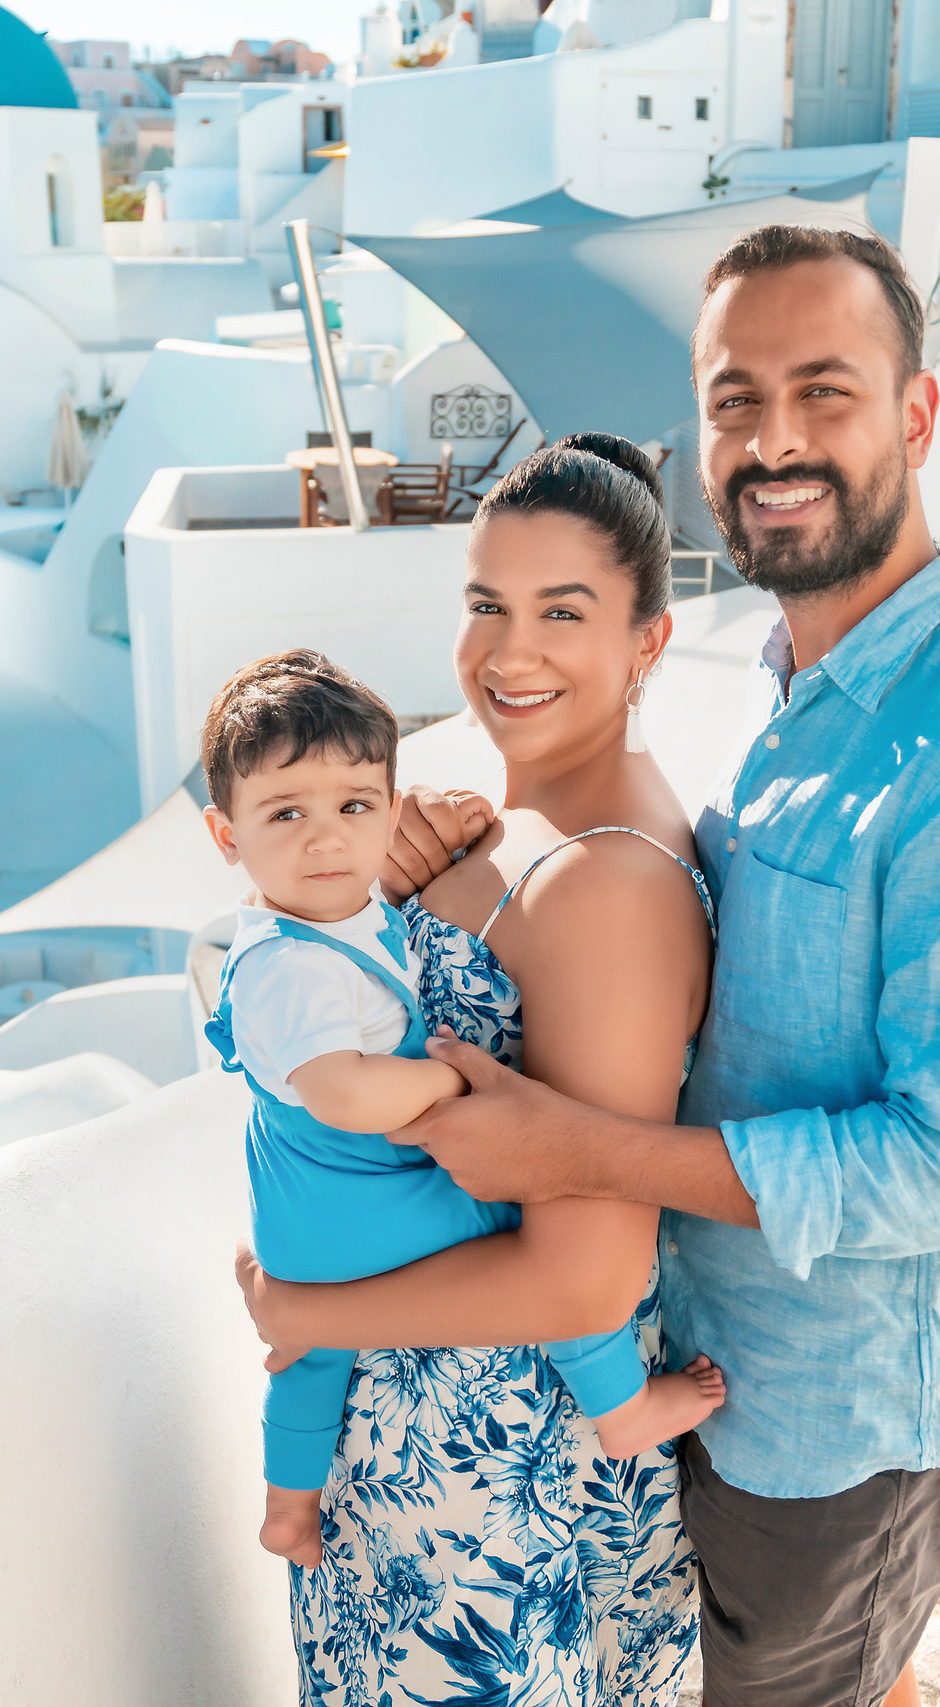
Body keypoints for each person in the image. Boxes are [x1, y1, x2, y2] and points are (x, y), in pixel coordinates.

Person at [262, 226, 940, 1707]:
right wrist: (463, 869)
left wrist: (581, 1149)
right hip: (723, 1375)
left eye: (824, 391)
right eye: (735, 398)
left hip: (836, 1427)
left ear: (914, 415)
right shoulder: (809, 680)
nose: (773, 438)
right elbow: (738, 945)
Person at [234, 435, 723, 1704]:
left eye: (564, 613)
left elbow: (588, 1273)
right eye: (486, 605)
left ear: (648, 644)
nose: (510, 653)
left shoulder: (608, 885)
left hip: (485, 1511)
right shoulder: (529, 834)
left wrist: (305, 1318)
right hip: (437, 1473)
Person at [197, 648, 727, 1571]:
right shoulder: (293, 969)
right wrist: (452, 1086)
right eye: (287, 814)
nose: (327, 841)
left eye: (354, 808)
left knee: (309, 1366)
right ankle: (622, 1406)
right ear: (225, 832)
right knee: (546, 1218)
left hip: (301, 1224)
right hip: (366, 1205)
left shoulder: (304, 923)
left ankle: (289, 1508)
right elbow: (345, 1091)